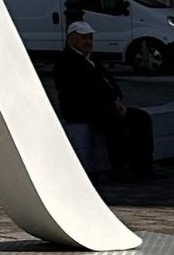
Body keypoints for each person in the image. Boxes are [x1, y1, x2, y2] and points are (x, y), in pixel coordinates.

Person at [53, 22, 157, 180]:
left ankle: (143, 167)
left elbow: (109, 82)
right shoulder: (66, 62)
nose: (88, 42)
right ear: (71, 40)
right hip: (83, 110)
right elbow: (81, 92)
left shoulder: (91, 59)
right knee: (115, 125)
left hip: (106, 107)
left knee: (142, 118)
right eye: (83, 38)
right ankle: (120, 170)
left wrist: (117, 100)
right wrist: (110, 106)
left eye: (90, 38)